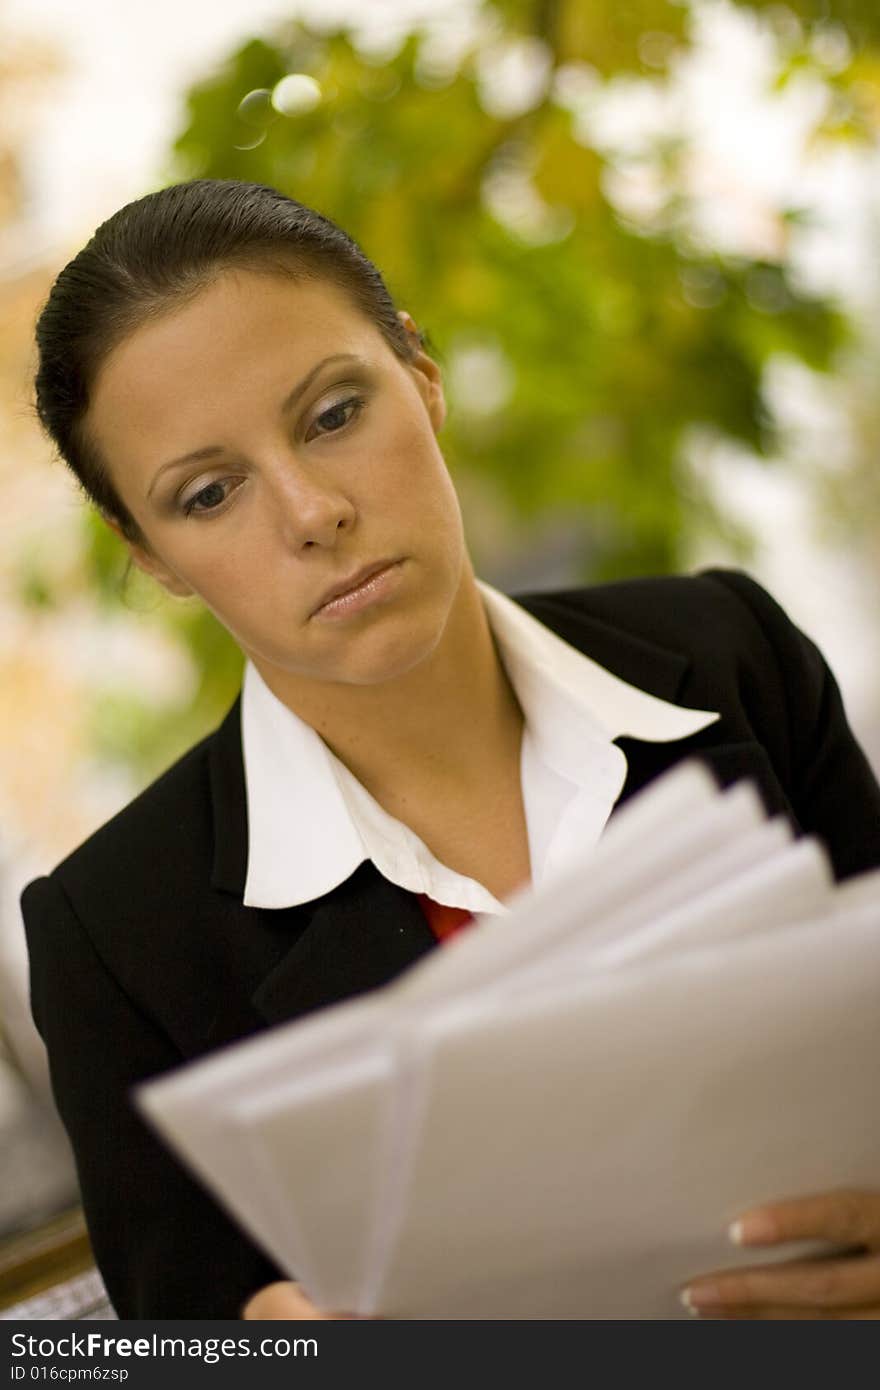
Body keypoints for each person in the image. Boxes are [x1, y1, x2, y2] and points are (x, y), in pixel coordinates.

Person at [21, 179, 880, 1321]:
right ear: (151, 552)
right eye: (210, 492)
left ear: (421, 380)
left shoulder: (731, 652)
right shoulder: (112, 937)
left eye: (332, 414)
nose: (312, 510)